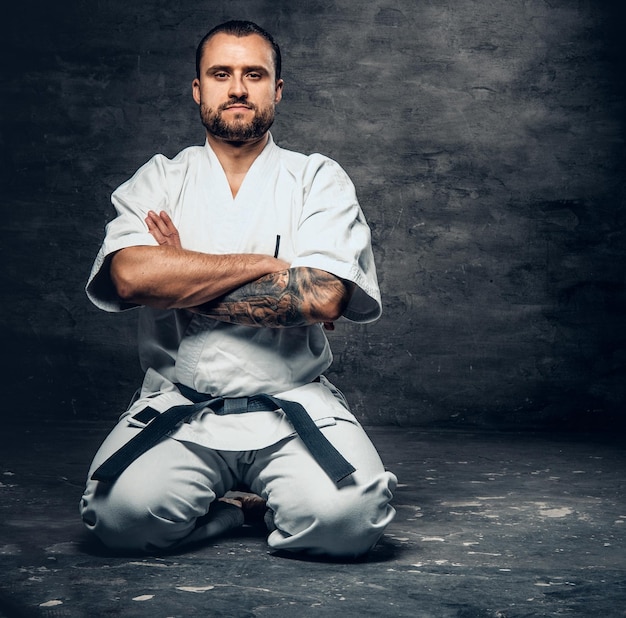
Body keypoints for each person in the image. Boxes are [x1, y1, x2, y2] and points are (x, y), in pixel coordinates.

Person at [79, 19, 397, 557]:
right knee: (118, 519)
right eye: (220, 73)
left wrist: (176, 273)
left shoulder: (317, 178)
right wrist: (269, 265)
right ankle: (232, 514)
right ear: (198, 89)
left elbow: (320, 297)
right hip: (181, 403)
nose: (237, 88)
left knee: (349, 522)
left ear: (277, 90)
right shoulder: (159, 178)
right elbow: (130, 276)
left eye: (254, 74)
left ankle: (264, 500)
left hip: (290, 398)